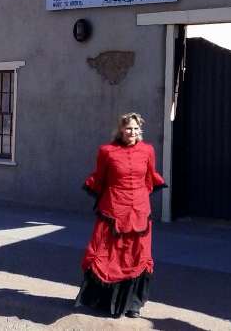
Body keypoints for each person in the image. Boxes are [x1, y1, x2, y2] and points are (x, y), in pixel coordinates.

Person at [75, 112, 166, 319]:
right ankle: (105, 301)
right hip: (114, 211)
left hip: (140, 212)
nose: (132, 132)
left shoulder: (148, 150)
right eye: (128, 128)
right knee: (109, 255)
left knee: (137, 255)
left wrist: (140, 199)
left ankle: (133, 304)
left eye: (135, 129)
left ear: (139, 130)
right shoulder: (107, 151)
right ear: (120, 130)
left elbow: (150, 177)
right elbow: (100, 177)